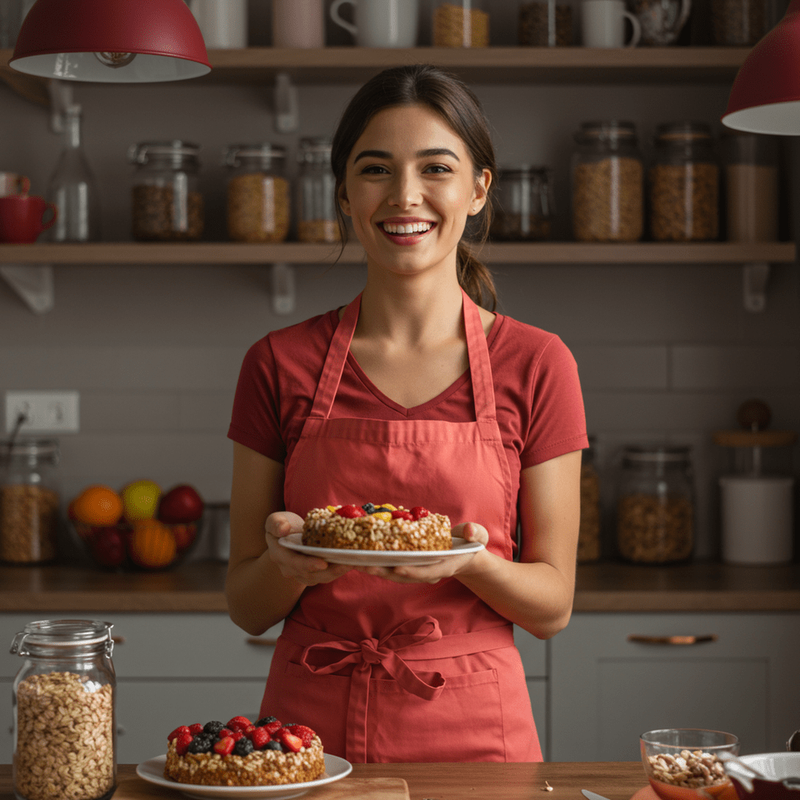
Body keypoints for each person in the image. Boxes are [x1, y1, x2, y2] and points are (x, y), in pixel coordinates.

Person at [226, 64, 588, 764]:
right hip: (307, 738)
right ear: (342, 193)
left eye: (436, 168)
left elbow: (553, 606)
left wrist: (464, 562)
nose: (404, 196)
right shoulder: (277, 363)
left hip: (479, 733)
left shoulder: (539, 364)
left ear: (479, 188)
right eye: (374, 170)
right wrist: (292, 565)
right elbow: (246, 603)